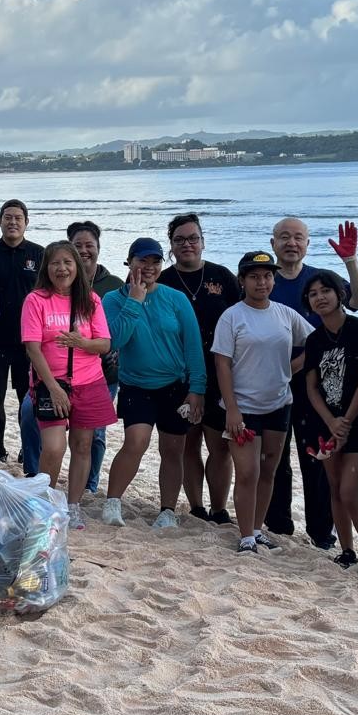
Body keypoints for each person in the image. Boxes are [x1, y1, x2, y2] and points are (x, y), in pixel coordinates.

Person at [266, 218, 358, 547]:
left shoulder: (319, 281)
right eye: (284, 237)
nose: (291, 243)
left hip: (318, 386)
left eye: (298, 237)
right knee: (274, 457)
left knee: (316, 458)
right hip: (273, 381)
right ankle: (278, 525)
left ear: (307, 244)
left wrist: (350, 260)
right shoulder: (265, 280)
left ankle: (322, 532)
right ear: (273, 244)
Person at [100, 238, 205, 529]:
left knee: (173, 448)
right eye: (142, 261)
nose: (148, 267)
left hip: (174, 385)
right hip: (135, 384)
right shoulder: (113, 299)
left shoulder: (176, 298)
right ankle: (112, 502)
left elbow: (193, 346)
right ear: (129, 262)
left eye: (155, 261)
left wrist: (197, 389)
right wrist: (134, 300)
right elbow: (114, 341)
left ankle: (167, 511)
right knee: (136, 442)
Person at [212, 252, 312, 554]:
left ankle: (257, 530)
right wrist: (231, 409)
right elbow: (222, 364)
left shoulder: (285, 314)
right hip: (243, 407)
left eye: (267, 276)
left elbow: (316, 342)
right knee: (247, 473)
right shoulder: (232, 316)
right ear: (242, 280)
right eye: (254, 276)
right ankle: (245, 537)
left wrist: (290, 370)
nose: (262, 282)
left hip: (279, 405)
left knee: (269, 469)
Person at [21, 240, 114, 530]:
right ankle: (44, 505)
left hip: (90, 381)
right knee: (54, 447)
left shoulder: (91, 300)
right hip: (51, 382)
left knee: (83, 445)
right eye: (55, 263)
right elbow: (32, 348)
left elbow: (104, 344)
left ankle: (73, 506)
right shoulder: (36, 300)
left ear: (77, 267)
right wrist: (53, 387)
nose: (62, 269)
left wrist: (81, 342)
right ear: (46, 268)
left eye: (67, 262)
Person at [158, 213, 241, 524]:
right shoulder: (163, 281)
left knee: (220, 446)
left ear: (203, 242)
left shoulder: (223, 276)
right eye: (179, 240)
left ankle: (219, 509)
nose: (187, 244)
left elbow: (242, 320)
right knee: (188, 444)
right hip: (177, 376)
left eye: (193, 238)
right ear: (171, 246)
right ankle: (196, 507)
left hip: (221, 372)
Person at [301, 270, 358, 576]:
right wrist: (330, 421)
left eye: (326, 291)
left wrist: (345, 421)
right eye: (313, 294)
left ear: (340, 294)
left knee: (350, 492)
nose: (320, 297)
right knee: (334, 489)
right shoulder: (314, 340)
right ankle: (347, 551)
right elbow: (311, 387)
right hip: (326, 423)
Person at [0, 199, 43, 469]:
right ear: (0, 221)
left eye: (18, 218)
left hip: (29, 343)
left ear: (26, 222)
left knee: (29, 399)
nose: (13, 222)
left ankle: (27, 448)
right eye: (8, 217)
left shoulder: (39, 254)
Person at [67, 221, 125, 495]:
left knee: (96, 433)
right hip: (64, 372)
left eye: (89, 245)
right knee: (32, 417)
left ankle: (89, 486)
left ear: (99, 249)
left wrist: (118, 350)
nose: (84, 250)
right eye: (77, 245)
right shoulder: (60, 282)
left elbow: (129, 325)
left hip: (104, 374)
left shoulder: (114, 286)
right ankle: (35, 473)